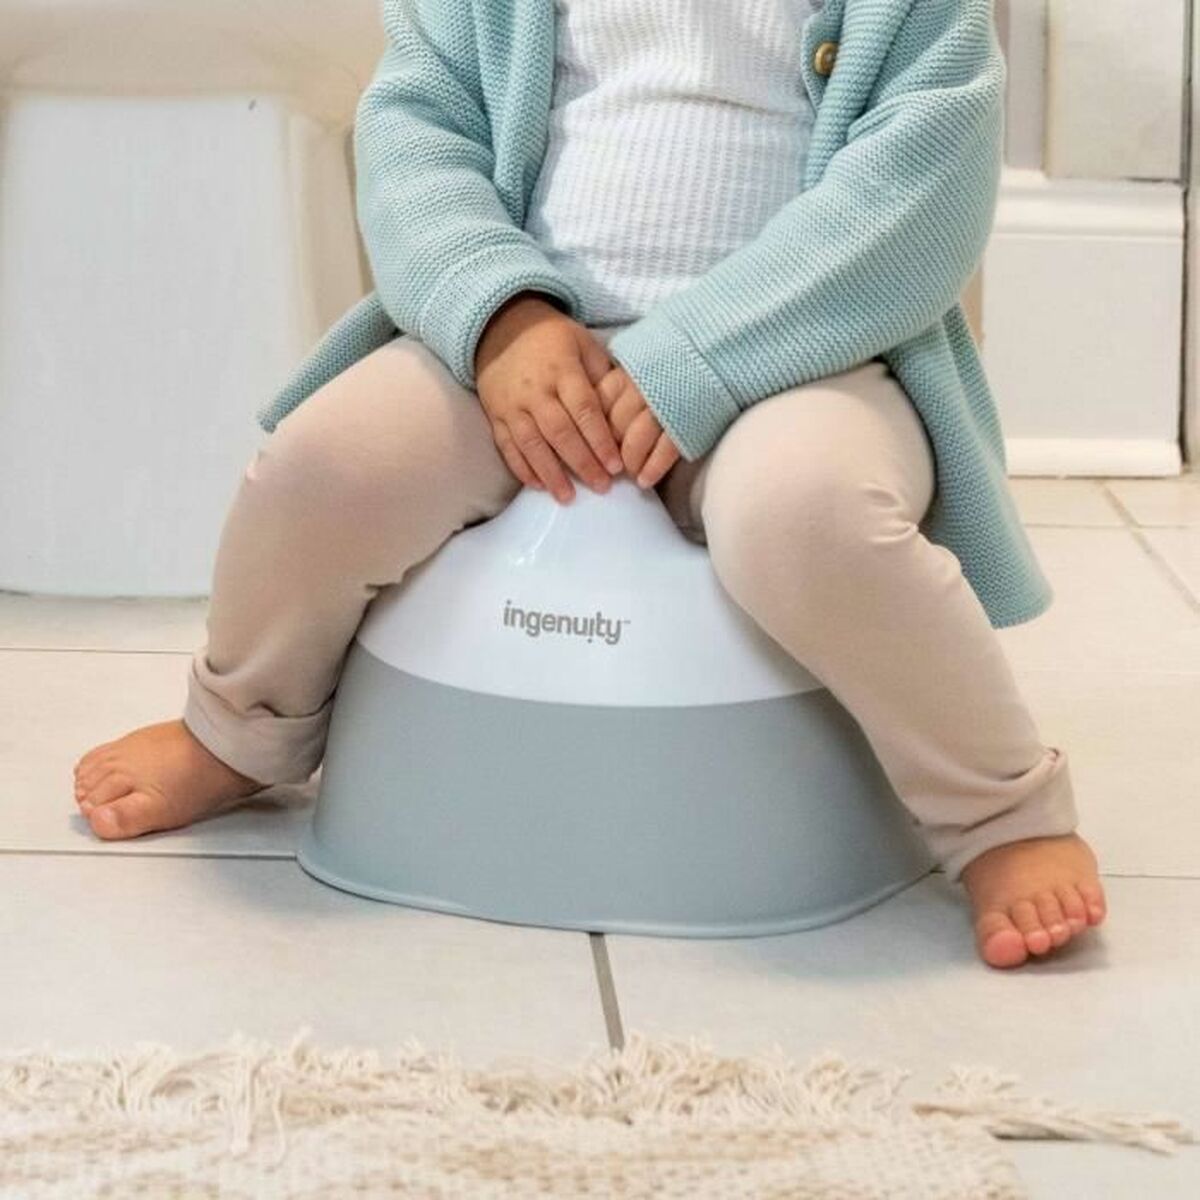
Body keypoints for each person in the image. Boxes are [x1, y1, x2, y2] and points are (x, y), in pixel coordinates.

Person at [73, 0, 1106, 969]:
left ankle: (998, 811)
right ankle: (242, 726)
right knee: (325, 466)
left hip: (799, 354)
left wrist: (700, 357)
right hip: (526, 350)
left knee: (808, 515)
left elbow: (922, 188)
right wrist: (499, 315)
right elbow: (416, 133)